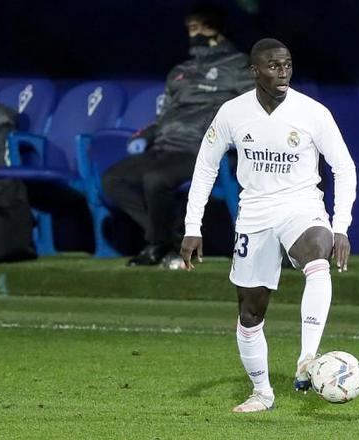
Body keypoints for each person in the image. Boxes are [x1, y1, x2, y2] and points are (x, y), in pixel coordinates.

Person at [180, 38, 357, 412]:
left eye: (288, 65)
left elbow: (344, 167)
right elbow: (205, 165)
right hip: (255, 213)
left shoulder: (313, 113)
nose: (283, 72)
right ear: (254, 71)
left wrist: (340, 226)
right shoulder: (232, 112)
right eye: (274, 66)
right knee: (250, 314)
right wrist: (192, 225)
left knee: (318, 253)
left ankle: (307, 359)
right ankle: (262, 392)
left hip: (301, 206)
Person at [102, 4, 253, 266]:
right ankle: (166, 239)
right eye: (192, 28)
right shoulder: (181, 71)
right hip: (165, 147)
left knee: (155, 179)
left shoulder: (239, 66)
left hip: (201, 149)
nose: (198, 34)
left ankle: (157, 244)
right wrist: (147, 135)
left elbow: (252, 110)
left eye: (205, 27)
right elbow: (164, 116)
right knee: (113, 179)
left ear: (221, 30)